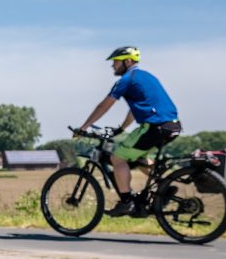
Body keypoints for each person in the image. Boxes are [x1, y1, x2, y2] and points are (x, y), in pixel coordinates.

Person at [77, 46, 182, 216]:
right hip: (172, 126)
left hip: (154, 127)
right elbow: (135, 110)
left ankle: (126, 202)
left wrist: (84, 127)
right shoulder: (147, 77)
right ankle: (164, 187)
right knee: (138, 156)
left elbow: (104, 106)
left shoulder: (127, 79)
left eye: (116, 62)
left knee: (117, 158)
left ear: (127, 61)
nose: (113, 66)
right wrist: (121, 129)